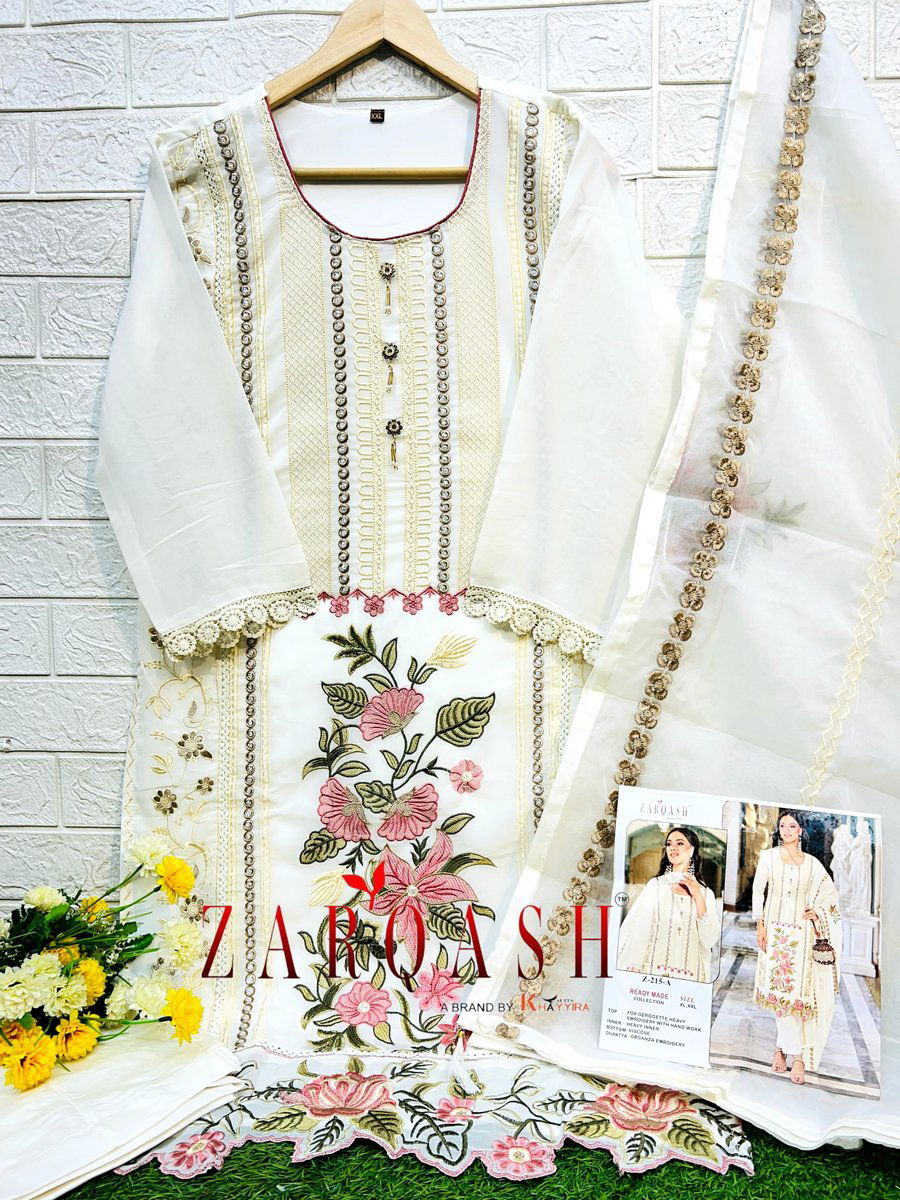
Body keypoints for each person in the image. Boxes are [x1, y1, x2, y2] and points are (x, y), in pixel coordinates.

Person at [753, 810, 842, 1084]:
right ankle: (795, 1055)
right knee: (779, 995)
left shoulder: (813, 864)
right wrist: (760, 925)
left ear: (801, 830)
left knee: (796, 997)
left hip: (802, 937)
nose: (787, 830)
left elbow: (831, 897)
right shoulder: (768, 857)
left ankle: (783, 1051)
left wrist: (818, 912)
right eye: (783, 825)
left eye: (792, 826)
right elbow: (758, 891)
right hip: (775, 934)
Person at [616, 827, 721, 982]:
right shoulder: (656, 886)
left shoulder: (706, 894)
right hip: (653, 971)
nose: (672, 847)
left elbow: (709, 940)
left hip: (692, 975)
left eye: (680, 843)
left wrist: (697, 896)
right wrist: (636, 964)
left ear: (692, 850)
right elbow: (641, 928)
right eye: (669, 844)